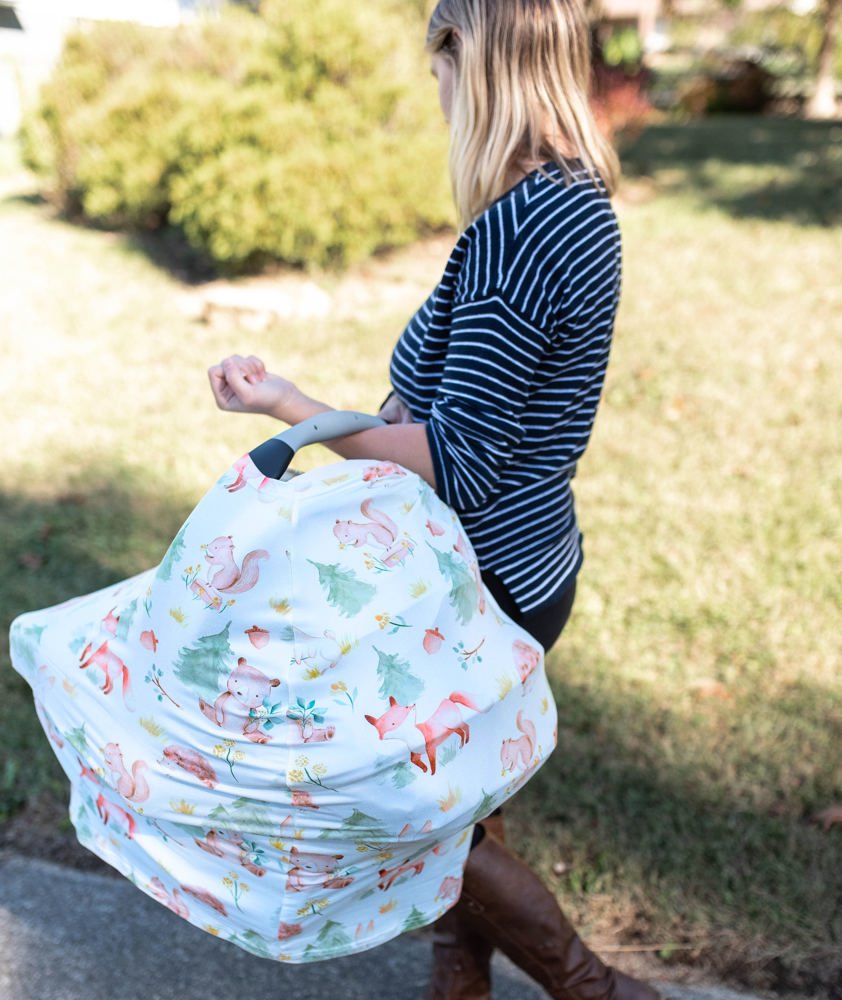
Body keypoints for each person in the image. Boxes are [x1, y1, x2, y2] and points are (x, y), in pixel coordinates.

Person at [208, 1, 659, 998]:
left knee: (399, 797)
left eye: (439, 68)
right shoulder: (578, 199)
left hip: (478, 575)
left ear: (473, 58)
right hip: (532, 555)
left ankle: (595, 988)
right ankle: (459, 964)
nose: (438, 92)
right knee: (459, 777)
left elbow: (458, 462)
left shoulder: (516, 230)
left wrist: (291, 405)